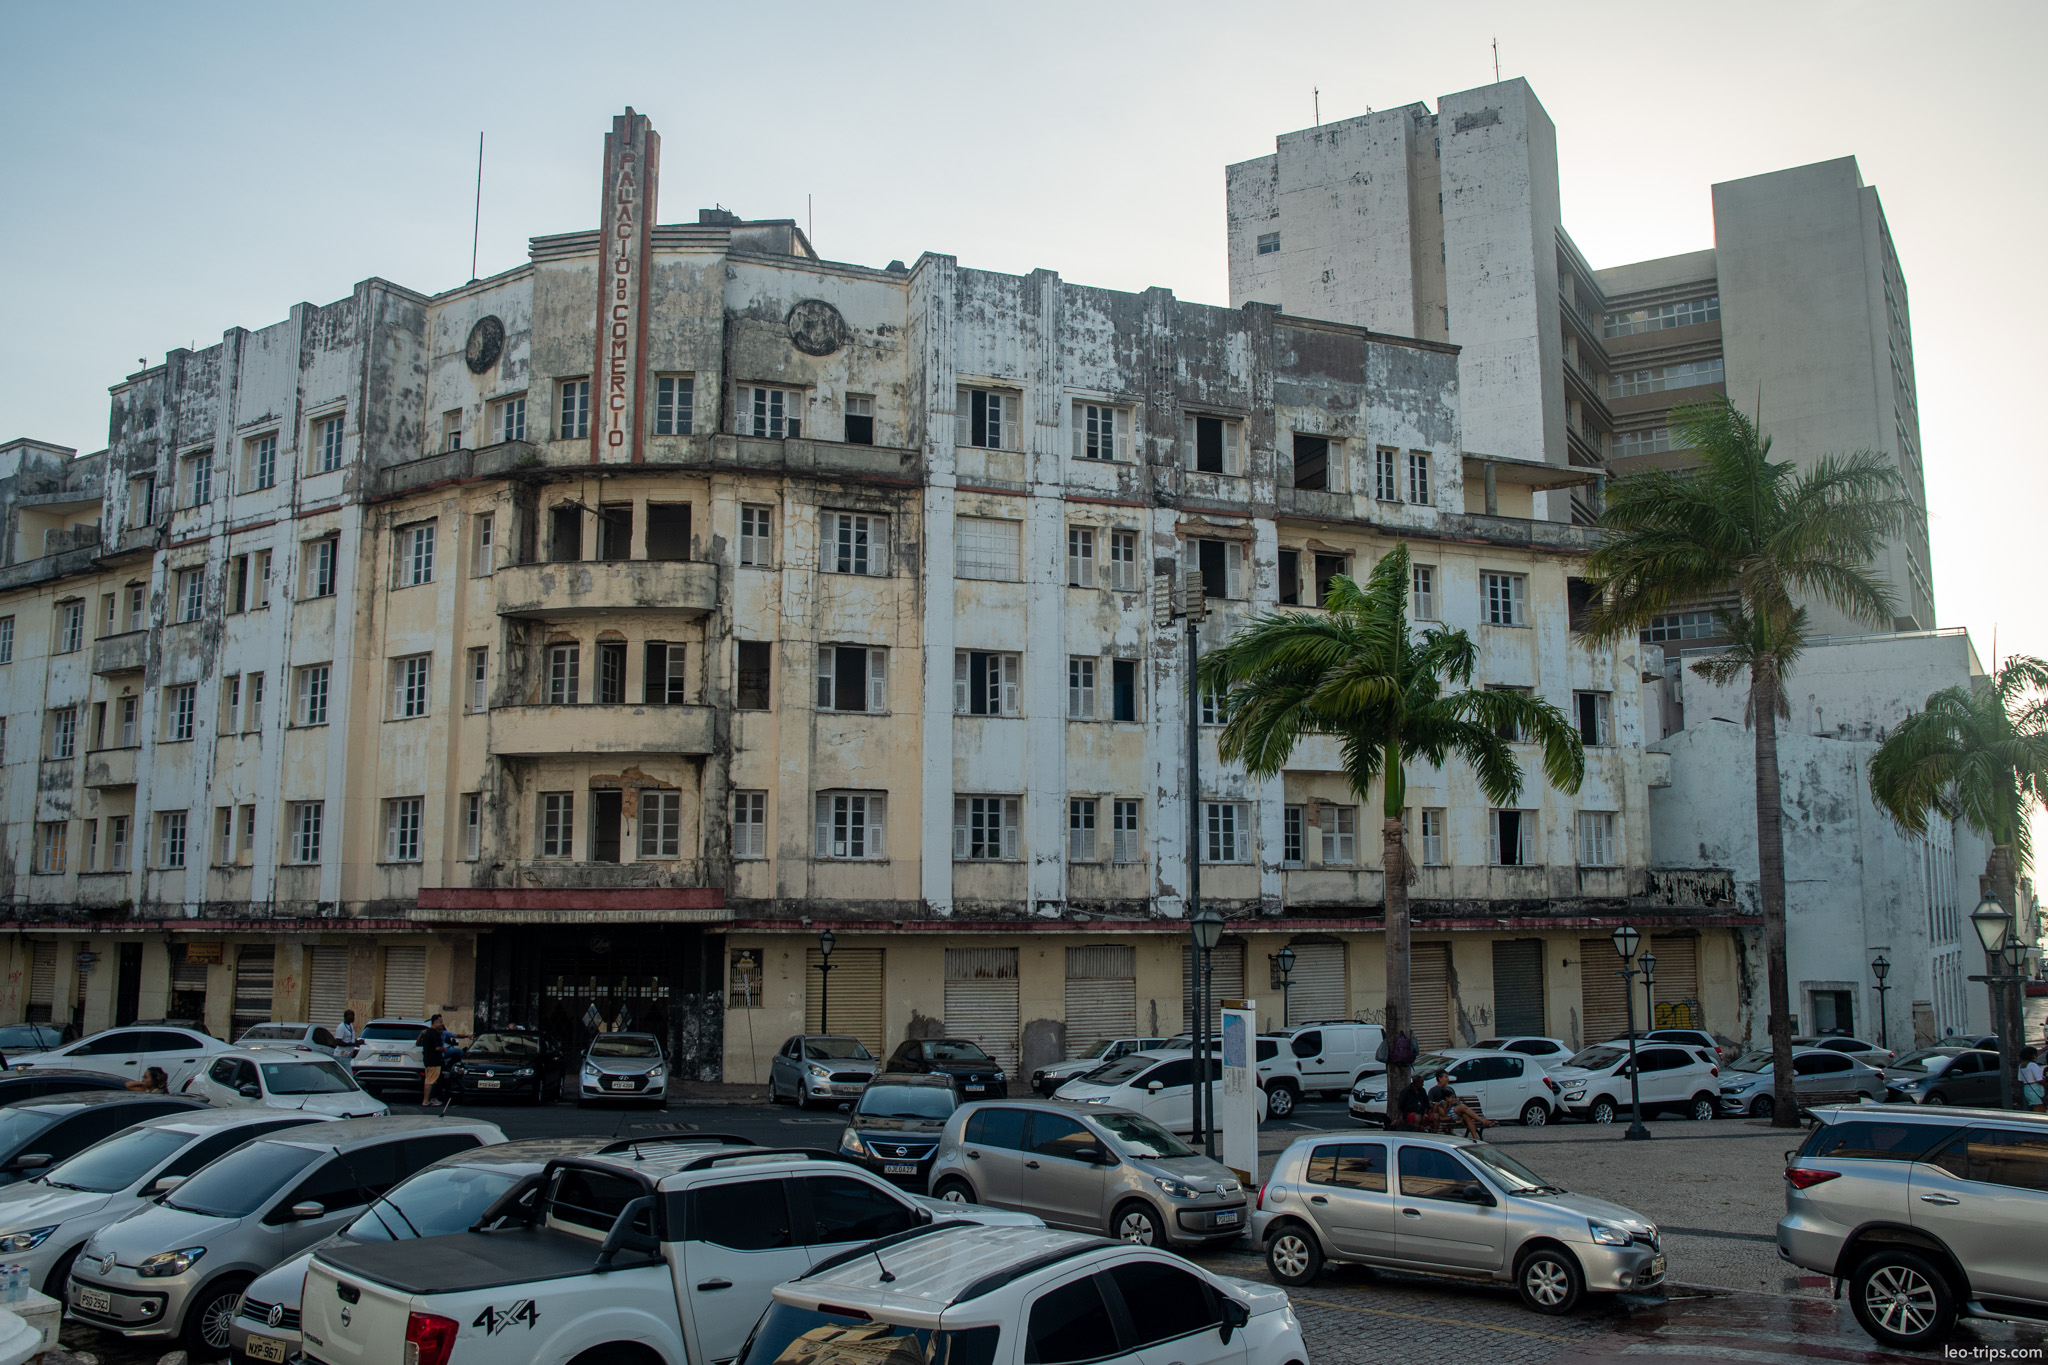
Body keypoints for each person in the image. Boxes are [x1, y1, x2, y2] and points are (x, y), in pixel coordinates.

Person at [1427, 1075, 1491, 1140]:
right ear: (1440, 1079)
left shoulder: (1450, 1089)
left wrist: (1456, 1102)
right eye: (1445, 1077)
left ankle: (1475, 1138)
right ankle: (1482, 1120)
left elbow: (1456, 1102)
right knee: (1462, 1107)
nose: (1448, 1079)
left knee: (1466, 1116)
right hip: (1450, 1113)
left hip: (1454, 1113)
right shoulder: (1441, 1101)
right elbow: (1443, 1113)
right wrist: (1450, 1105)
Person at [418, 1015, 447, 1107]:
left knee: (429, 1080)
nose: (442, 1024)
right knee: (430, 1081)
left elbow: (417, 1043)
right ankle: (426, 1100)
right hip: (434, 1061)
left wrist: (421, 1034)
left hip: (427, 1060)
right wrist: (445, 1049)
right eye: (440, 1022)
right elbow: (438, 1048)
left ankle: (430, 1099)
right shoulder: (435, 1034)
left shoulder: (426, 1032)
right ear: (435, 1022)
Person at [2021, 1046, 2045, 1114]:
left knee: (2034, 1107)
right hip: (2036, 1088)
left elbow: (2020, 1079)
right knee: (2039, 1107)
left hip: (2027, 1089)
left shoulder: (2021, 1066)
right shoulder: (2032, 1065)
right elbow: (2039, 1079)